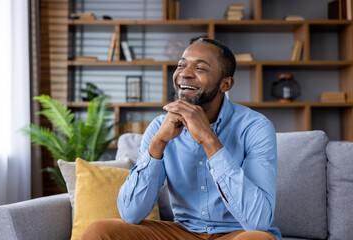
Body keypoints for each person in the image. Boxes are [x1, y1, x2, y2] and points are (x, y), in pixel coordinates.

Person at [81, 38, 282, 240]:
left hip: (238, 233)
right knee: (98, 232)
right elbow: (131, 214)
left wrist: (209, 140)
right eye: (181, 65)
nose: (184, 74)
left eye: (200, 68)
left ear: (225, 84)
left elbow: (258, 222)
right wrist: (158, 144)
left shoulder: (255, 127)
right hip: (182, 233)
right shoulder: (160, 128)